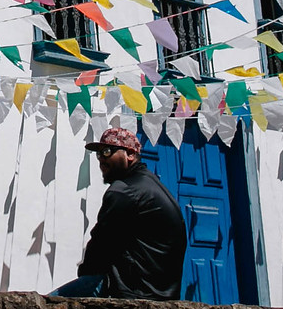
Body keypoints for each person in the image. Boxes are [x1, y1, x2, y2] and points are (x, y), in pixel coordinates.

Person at [50, 127, 186, 299]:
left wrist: (86, 275)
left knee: (45, 307)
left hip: (132, 290)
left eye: (107, 151)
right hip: (163, 294)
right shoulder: (152, 186)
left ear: (130, 154)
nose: (102, 159)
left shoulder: (124, 191)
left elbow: (102, 243)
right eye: (99, 154)